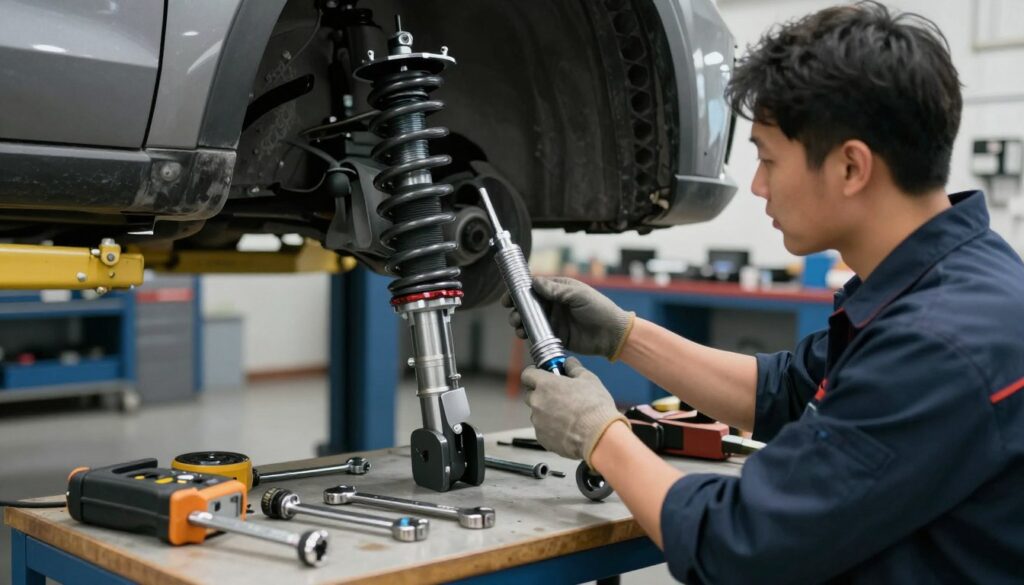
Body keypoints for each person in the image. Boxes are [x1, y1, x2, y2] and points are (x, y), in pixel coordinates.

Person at [506, 2, 1024, 583]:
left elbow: (741, 546)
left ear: (851, 167)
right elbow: (784, 391)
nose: (757, 186)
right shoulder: (944, 282)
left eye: (768, 159)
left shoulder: (938, 342)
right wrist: (625, 335)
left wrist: (600, 435)